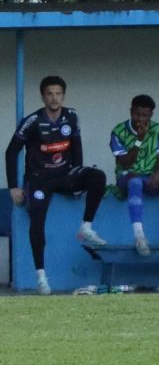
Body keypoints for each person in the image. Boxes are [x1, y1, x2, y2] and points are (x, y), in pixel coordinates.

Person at [7, 75, 111, 290]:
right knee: (37, 221)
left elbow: (76, 146)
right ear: (43, 96)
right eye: (50, 94)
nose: (54, 98)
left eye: (58, 94)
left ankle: (86, 227)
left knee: (98, 176)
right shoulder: (33, 121)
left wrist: (78, 175)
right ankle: (41, 277)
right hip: (39, 179)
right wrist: (13, 187)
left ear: (63, 95)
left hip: (65, 174)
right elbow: (11, 151)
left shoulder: (71, 116)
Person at [108, 95, 159, 255]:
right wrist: (139, 140)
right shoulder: (118, 131)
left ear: (151, 115)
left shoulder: (157, 128)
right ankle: (139, 236)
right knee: (135, 183)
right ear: (131, 112)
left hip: (148, 174)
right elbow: (125, 163)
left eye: (145, 115)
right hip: (126, 177)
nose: (140, 119)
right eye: (137, 114)